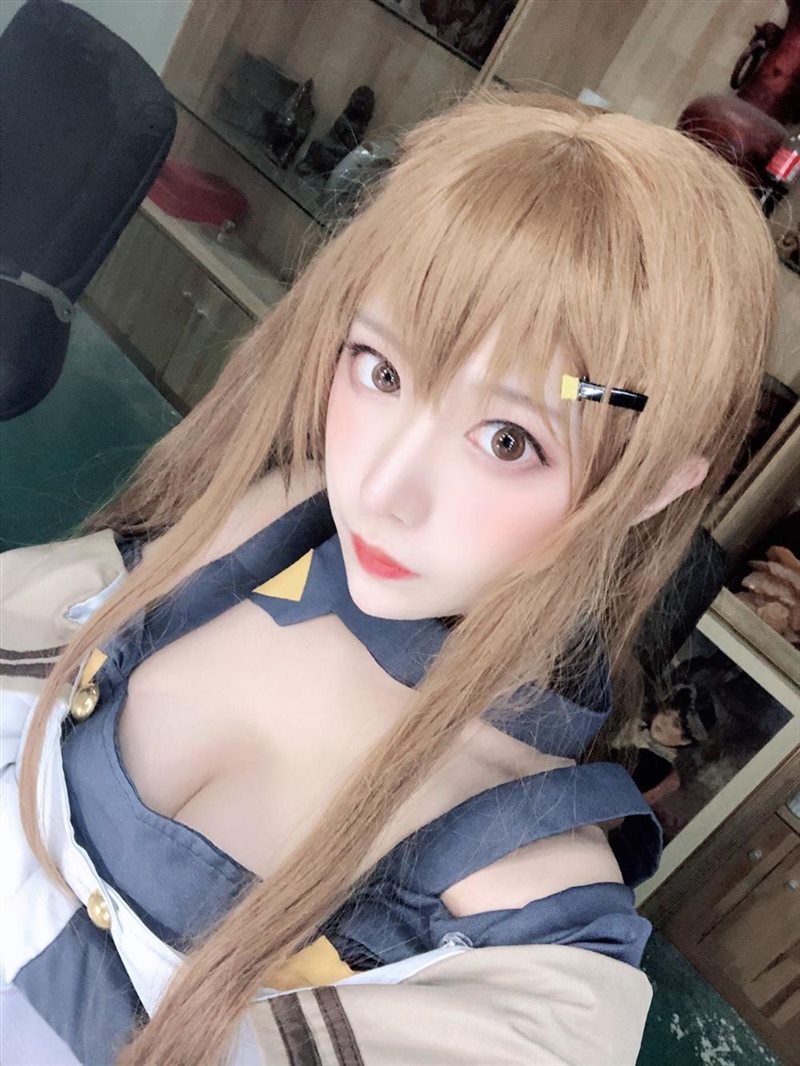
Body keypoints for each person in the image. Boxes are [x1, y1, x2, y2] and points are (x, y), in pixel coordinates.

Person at [0, 86, 779, 1066]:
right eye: (380, 370)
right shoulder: (270, 521)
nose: (382, 488)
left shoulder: (528, 923)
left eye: (507, 438)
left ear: (648, 488)